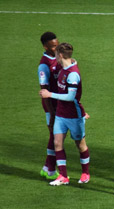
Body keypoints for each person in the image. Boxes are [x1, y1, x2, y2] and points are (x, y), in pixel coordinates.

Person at [39, 43, 90, 186]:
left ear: (60, 55)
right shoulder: (63, 69)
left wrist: (49, 94)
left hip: (73, 115)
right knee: (57, 143)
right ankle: (63, 176)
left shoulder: (73, 74)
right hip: (61, 115)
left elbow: (70, 97)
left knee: (80, 145)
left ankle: (85, 173)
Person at [38, 31, 62, 180]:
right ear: (45, 46)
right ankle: (50, 169)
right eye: (53, 46)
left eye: (57, 44)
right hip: (51, 105)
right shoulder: (44, 65)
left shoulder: (58, 58)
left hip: (60, 102)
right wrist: (52, 113)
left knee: (56, 136)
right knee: (55, 136)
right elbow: (44, 91)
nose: (56, 48)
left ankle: (47, 167)